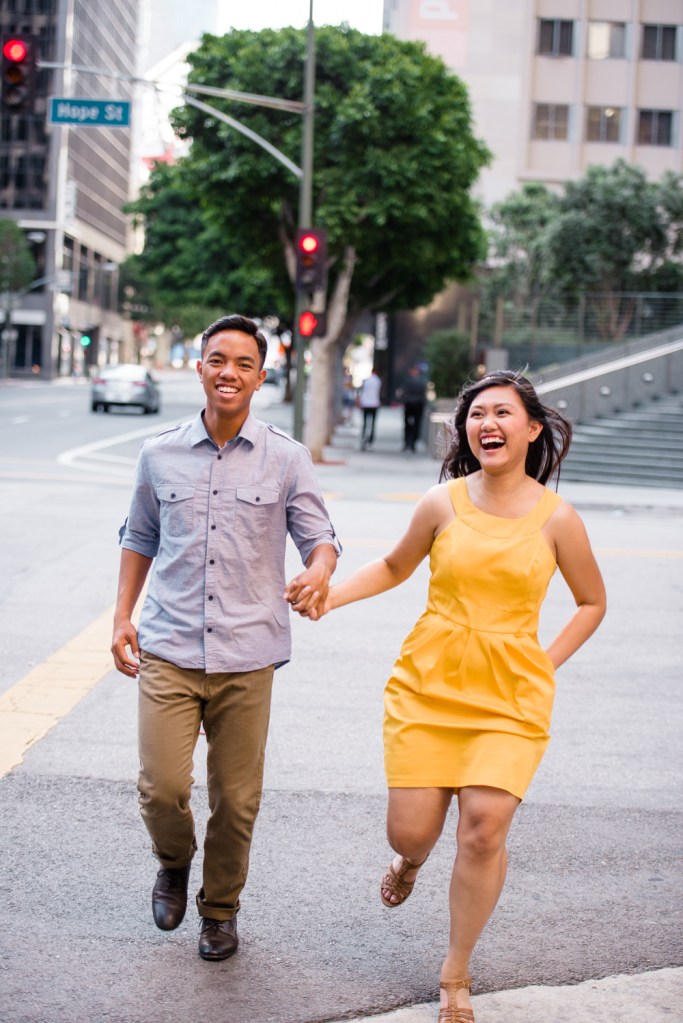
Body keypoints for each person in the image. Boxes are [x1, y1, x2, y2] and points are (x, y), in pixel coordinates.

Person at [291, 370, 606, 1022]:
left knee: (483, 831)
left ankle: (455, 971)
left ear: (531, 428)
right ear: (465, 430)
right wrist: (329, 594)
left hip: (511, 697)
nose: (486, 424)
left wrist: (543, 663)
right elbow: (392, 566)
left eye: (501, 413)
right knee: (411, 831)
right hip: (428, 685)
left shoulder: (558, 518)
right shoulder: (442, 502)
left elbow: (591, 602)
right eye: (476, 414)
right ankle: (409, 861)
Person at [111, 314, 340, 962]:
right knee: (161, 786)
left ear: (260, 376)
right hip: (170, 644)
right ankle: (174, 860)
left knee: (236, 801)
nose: (228, 372)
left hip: (247, 652)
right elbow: (138, 536)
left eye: (243, 363)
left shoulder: (286, 456)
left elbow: (319, 538)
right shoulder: (158, 453)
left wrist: (319, 569)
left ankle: (219, 909)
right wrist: (120, 615)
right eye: (217, 359)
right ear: (199, 367)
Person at [397, 364, 427, 451]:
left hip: (410, 404)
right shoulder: (422, 381)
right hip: (417, 404)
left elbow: (403, 392)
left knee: (408, 424)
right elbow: (424, 395)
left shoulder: (408, 381)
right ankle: (412, 443)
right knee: (416, 424)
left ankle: (408, 443)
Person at [358, 368, 382, 449]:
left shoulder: (366, 381)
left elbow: (362, 392)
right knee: (373, 423)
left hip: (366, 403)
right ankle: (370, 440)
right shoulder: (378, 381)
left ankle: (363, 437)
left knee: (365, 422)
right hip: (374, 404)